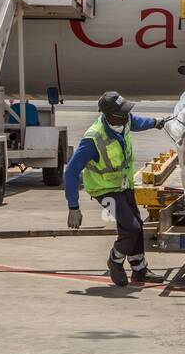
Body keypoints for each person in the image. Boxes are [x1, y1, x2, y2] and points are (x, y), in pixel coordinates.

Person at [64, 92, 168, 286]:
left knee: (136, 225)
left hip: (123, 185)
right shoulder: (93, 139)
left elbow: (138, 122)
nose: (127, 115)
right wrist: (73, 207)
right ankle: (115, 261)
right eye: (123, 113)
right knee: (131, 228)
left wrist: (156, 122)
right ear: (110, 115)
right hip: (105, 190)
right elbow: (71, 172)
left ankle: (139, 270)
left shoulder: (124, 122)